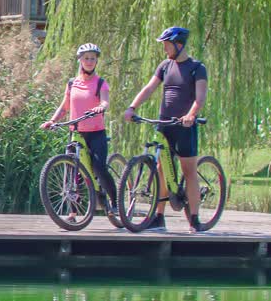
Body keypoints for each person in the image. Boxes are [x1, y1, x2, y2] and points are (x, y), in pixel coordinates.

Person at [123, 27, 208, 232]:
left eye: (166, 45)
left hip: (184, 126)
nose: (164, 49)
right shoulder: (165, 66)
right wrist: (132, 107)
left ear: (178, 44)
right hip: (165, 124)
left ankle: (194, 219)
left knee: (189, 171)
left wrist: (191, 115)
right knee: (161, 169)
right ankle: (159, 216)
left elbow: (200, 98)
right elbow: (149, 88)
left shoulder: (197, 67)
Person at [41, 43, 119, 214]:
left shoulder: (100, 83)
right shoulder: (72, 83)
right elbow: (65, 106)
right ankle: (73, 212)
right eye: (86, 58)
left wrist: (101, 107)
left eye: (93, 58)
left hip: (96, 133)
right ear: (80, 60)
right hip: (76, 132)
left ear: (96, 61)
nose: (89, 61)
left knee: (98, 167)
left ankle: (114, 202)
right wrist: (52, 121)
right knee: (72, 170)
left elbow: (105, 101)